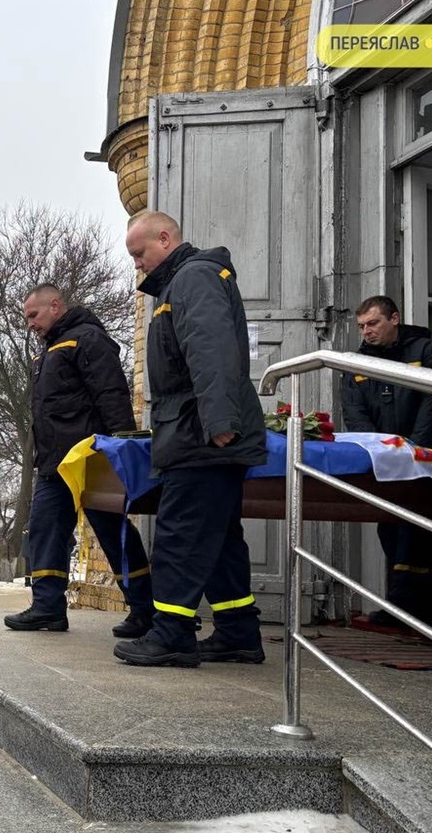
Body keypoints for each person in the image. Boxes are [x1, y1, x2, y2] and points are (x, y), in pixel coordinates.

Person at [114, 211, 267, 668]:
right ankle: (239, 633)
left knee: (180, 536)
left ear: (165, 238)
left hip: (200, 436)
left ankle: (173, 633)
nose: (137, 265)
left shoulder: (193, 278)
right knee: (218, 541)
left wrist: (219, 421)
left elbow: (211, 349)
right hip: (195, 430)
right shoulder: (181, 283)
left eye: (139, 253)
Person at [3, 284, 156, 636]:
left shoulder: (87, 340)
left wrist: (123, 449)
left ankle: (146, 610)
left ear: (55, 306)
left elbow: (111, 394)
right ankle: (47, 608)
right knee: (44, 530)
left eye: (33, 315)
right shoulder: (49, 351)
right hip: (56, 465)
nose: (29, 324)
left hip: (91, 459)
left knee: (112, 531)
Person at [340, 296, 432, 629]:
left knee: (419, 530)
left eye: (373, 324)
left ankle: (403, 607)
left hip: (427, 458)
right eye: (361, 326)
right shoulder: (356, 363)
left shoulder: (427, 352)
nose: (366, 332)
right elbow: (354, 412)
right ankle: (424, 613)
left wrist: (412, 449)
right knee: (390, 529)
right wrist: (382, 449)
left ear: (394, 318)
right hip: (386, 461)